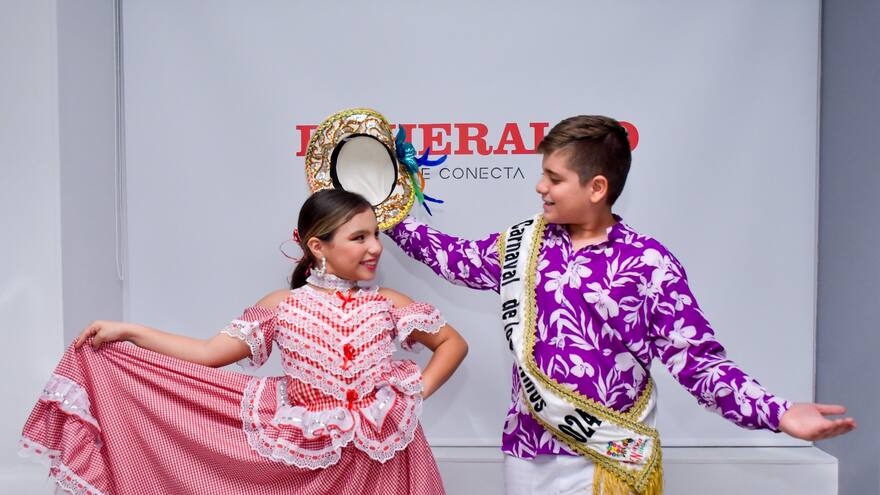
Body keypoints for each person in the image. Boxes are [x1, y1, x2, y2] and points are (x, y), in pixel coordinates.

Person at [385, 115, 856, 495]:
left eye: (554, 177)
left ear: (596, 187)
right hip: (529, 452)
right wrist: (388, 214)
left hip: (608, 458)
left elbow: (700, 364)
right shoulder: (525, 245)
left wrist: (777, 412)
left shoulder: (649, 265)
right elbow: (458, 260)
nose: (539, 187)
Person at [19, 189, 467, 495]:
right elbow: (208, 354)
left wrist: (408, 395)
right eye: (359, 237)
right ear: (318, 246)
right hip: (313, 462)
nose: (374, 248)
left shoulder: (390, 302)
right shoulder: (283, 305)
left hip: (385, 457)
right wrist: (131, 331)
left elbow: (452, 344)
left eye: (376, 236)